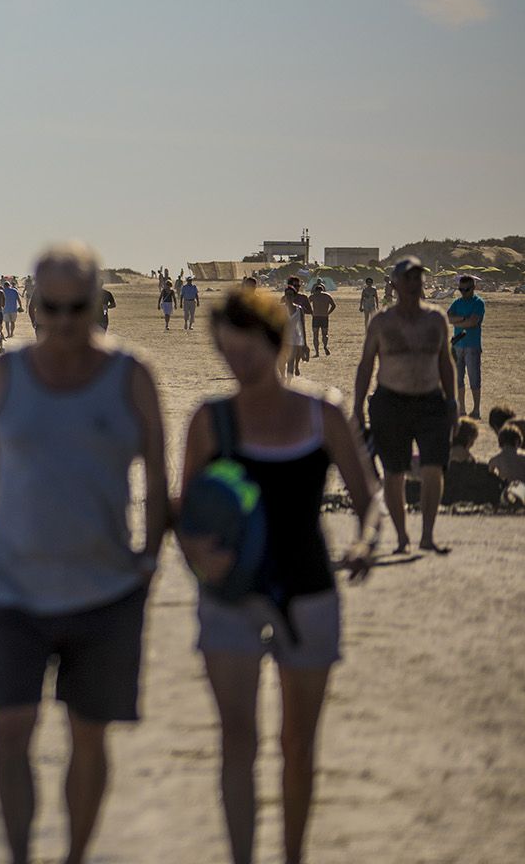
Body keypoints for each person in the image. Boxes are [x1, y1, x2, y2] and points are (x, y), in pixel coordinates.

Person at [0, 242, 168, 864]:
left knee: (89, 736)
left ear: (97, 300)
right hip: (14, 587)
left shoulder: (132, 374)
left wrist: (150, 561)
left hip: (105, 590)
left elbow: (158, 478)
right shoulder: (8, 374)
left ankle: (76, 856)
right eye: (53, 307)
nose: (67, 320)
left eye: (79, 306)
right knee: (13, 731)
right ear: (32, 305)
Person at [176, 286, 379, 864]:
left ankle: (292, 855)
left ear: (276, 342)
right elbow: (184, 512)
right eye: (227, 355)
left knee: (297, 744)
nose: (238, 366)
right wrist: (196, 554)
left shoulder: (323, 412)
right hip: (230, 595)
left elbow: (370, 501)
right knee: (237, 739)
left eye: (248, 353)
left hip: (310, 590)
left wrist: (364, 544)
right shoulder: (210, 421)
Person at [354, 256, 455, 554]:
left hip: (431, 401)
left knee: (433, 467)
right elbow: (365, 364)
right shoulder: (382, 322)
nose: (414, 284)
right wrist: (358, 406)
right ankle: (401, 538)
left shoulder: (436, 319)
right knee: (393, 472)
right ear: (395, 284)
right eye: (408, 278)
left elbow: (445, 362)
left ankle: (427, 535)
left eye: (418, 278)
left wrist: (453, 403)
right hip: (390, 401)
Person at [446, 274, 485, 418]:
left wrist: (457, 322)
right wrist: (463, 319)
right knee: (458, 378)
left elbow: (473, 322)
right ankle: (461, 409)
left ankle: (476, 410)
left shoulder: (478, 303)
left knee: (474, 378)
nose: (463, 292)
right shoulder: (457, 302)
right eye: (460, 289)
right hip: (457, 345)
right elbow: (447, 317)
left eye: (466, 289)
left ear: (473, 288)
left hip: (472, 346)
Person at [308, 281, 336, 357]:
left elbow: (307, 305)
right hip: (324, 317)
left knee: (315, 335)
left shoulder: (313, 296)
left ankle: (317, 352)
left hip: (316, 317)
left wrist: (311, 312)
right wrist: (328, 312)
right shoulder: (327, 296)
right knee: (325, 334)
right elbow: (333, 305)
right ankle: (325, 346)